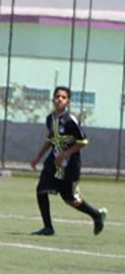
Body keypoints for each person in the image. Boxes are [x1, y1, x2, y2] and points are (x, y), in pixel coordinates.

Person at [30, 86, 106, 236]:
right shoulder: (50, 119)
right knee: (41, 190)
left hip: (70, 165)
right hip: (53, 161)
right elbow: (51, 139)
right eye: (57, 96)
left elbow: (83, 142)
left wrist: (65, 154)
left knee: (70, 199)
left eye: (63, 97)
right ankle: (48, 227)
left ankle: (96, 215)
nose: (60, 99)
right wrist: (38, 156)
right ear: (53, 99)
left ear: (68, 102)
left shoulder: (70, 120)